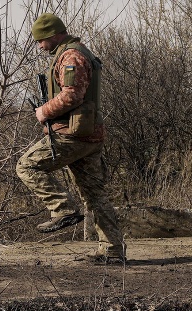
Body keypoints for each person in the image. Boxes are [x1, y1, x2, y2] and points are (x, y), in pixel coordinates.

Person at [16, 13, 126, 264]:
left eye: (41, 40)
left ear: (53, 35)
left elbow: (72, 96)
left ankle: (62, 208)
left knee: (26, 165)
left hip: (73, 134)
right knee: (95, 194)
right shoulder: (77, 52)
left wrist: (44, 112)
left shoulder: (71, 56)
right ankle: (112, 251)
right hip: (88, 134)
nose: (40, 46)